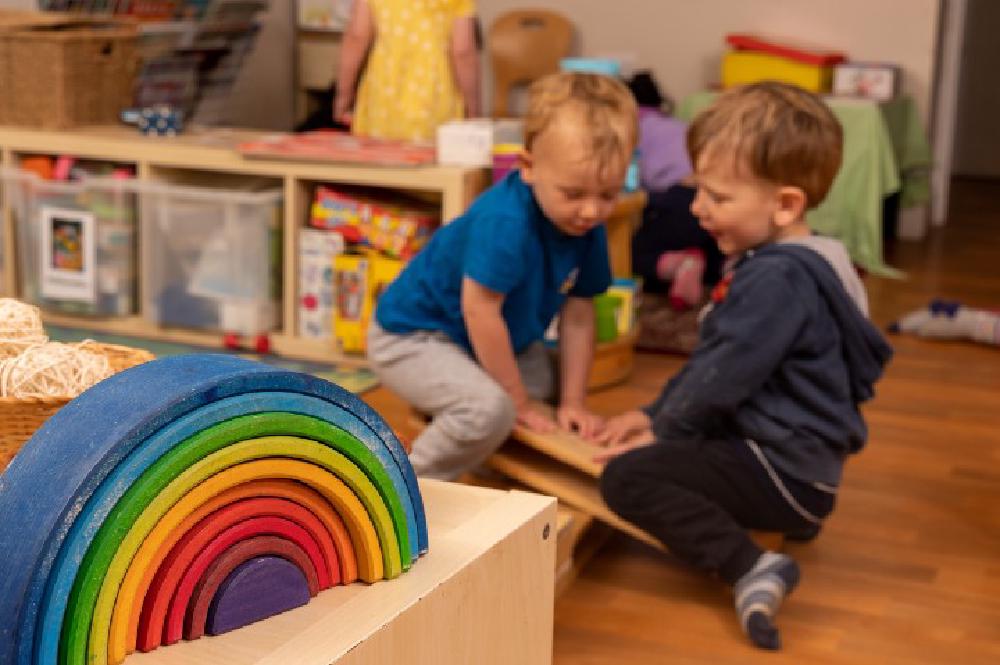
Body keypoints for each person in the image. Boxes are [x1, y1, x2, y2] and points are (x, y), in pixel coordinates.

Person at [594, 81, 893, 650]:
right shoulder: (824, 259)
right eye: (697, 190)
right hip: (810, 468)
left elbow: (718, 378)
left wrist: (661, 432)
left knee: (626, 477)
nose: (698, 209)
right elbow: (719, 365)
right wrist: (653, 411)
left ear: (785, 204)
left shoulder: (774, 280)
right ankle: (798, 512)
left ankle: (750, 564)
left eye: (717, 197)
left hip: (778, 468)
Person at [368, 71, 638, 481]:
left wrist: (573, 402)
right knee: (493, 409)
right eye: (574, 194)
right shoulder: (505, 220)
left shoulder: (588, 225)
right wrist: (517, 401)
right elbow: (481, 312)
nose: (592, 211)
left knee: (544, 385)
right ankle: (405, 485)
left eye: (608, 194)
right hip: (412, 337)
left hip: (490, 337)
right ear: (527, 167)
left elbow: (580, 313)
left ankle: (468, 424)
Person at [333, 0, 481, 142]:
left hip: (383, 95)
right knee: (435, 164)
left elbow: (357, 37)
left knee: (376, 161)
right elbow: (463, 52)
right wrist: (473, 111)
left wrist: (343, 96)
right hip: (435, 94)